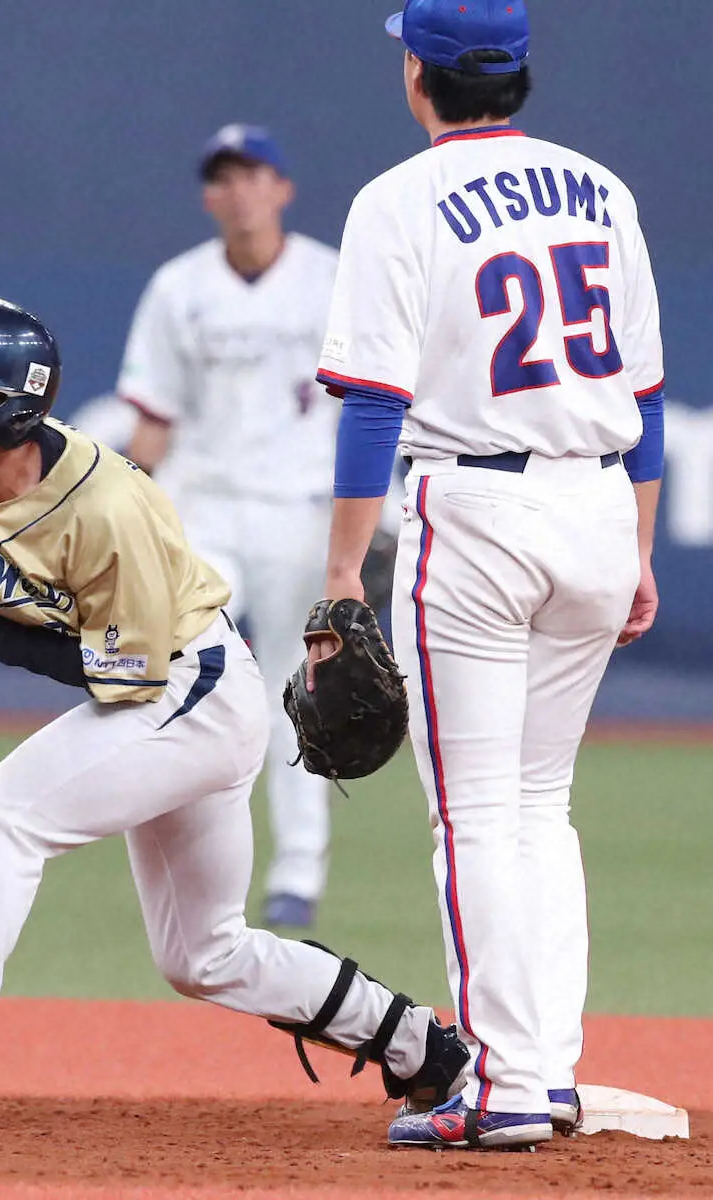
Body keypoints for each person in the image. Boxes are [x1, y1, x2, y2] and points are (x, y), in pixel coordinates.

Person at [0, 296, 468, 1132]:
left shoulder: (106, 508)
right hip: (171, 692)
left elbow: (118, 677)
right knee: (202, 954)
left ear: (14, 411)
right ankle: (420, 1047)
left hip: (189, 688)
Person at [310, 0, 665, 1151]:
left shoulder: (395, 199)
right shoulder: (600, 187)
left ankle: (505, 1085)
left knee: (470, 818)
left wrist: (338, 580)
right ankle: (544, 1068)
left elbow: (373, 403)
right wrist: (638, 548)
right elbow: (647, 404)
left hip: (474, 510)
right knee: (536, 806)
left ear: (416, 73)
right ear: (513, 75)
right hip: (598, 504)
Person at [117, 123, 394, 931]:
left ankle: (299, 871)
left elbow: (369, 410)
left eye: (254, 175)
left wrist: (374, 513)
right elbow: (155, 419)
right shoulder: (179, 287)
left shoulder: (330, 279)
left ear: (283, 188)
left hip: (302, 510)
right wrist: (129, 507)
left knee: (295, 686)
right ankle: (188, 852)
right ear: (209, 194)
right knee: (183, 669)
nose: (239, 191)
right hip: (206, 506)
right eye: (224, 178)